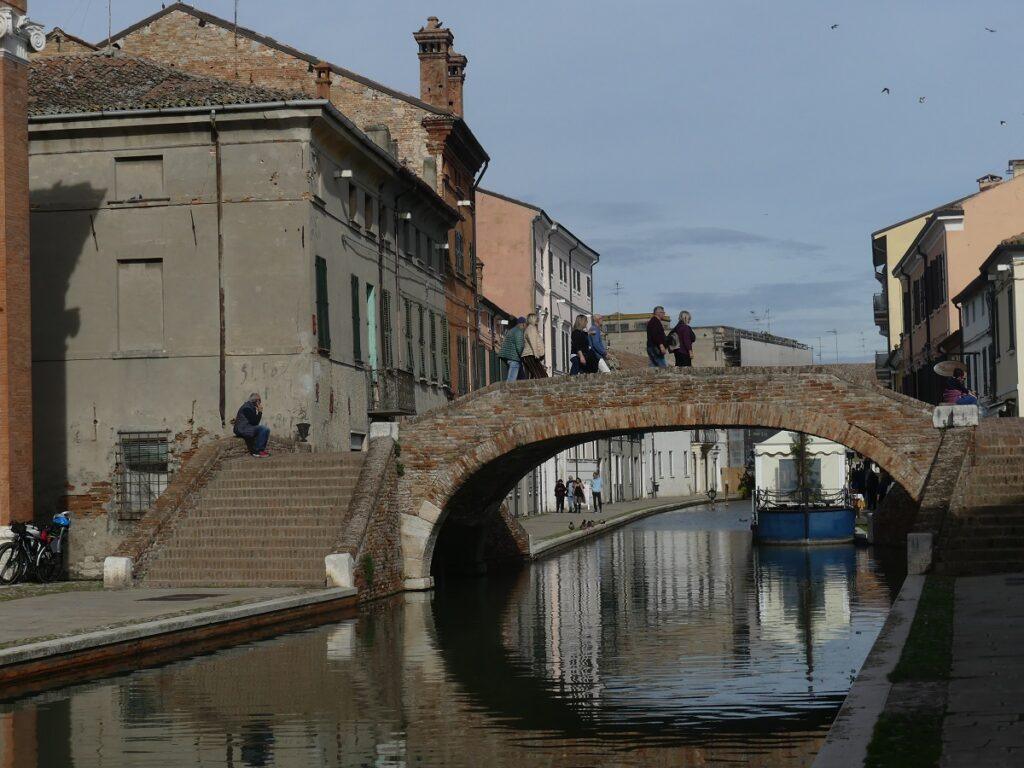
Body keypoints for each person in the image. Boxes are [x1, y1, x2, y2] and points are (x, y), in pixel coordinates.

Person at [234, 392, 270, 457]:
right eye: (260, 401)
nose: (260, 403)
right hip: (241, 429)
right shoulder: (247, 408)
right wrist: (260, 412)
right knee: (264, 429)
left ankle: (260, 450)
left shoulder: (250, 407)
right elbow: (254, 422)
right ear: (256, 401)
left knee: (264, 429)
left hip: (246, 428)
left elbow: (254, 422)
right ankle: (257, 451)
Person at [499, 317, 526, 382]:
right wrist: (523, 356)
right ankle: (508, 389)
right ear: (522, 324)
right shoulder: (519, 331)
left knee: (522, 376)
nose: (525, 327)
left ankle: (523, 386)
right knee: (512, 378)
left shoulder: (513, 330)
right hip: (513, 357)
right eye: (525, 325)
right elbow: (519, 346)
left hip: (507, 356)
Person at [522, 313, 547, 378]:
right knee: (540, 375)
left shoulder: (531, 328)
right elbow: (533, 342)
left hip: (531, 354)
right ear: (532, 319)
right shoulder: (531, 329)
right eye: (536, 318)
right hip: (530, 354)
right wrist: (536, 354)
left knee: (538, 374)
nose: (538, 319)